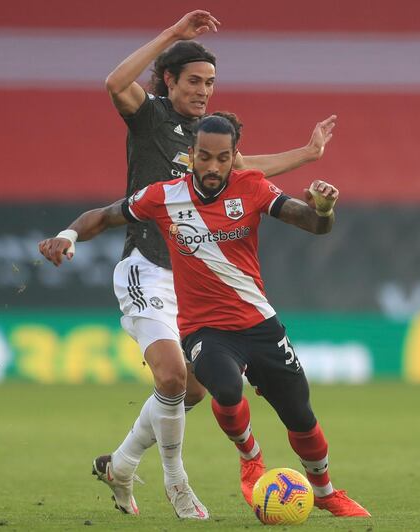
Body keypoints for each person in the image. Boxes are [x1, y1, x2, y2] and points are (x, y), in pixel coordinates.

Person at [39, 115, 370, 518]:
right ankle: (251, 458)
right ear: (191, 155)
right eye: (206, 157)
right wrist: (69, 235)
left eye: (223, 158)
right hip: (205, 330)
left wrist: (325, 208)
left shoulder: (252, 188)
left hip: (259, 322)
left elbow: (313, 224)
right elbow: (107, 215)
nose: (214, 167)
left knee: (300, 414)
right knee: (226, 389)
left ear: (235, 158)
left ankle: (324, 490)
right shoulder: (163, 196)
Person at [78, 9, 337, 519]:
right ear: (170, 79)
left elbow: (247, 168)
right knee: (173, 379)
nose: (204, 90)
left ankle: (123, 463)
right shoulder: (150, 115)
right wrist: (175, 34)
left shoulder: (207, 141)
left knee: (192, 389)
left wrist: (307, 154)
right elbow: (115, 82)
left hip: (193, 282)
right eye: (195, 80)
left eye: (211, 82)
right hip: (146, 262)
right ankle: (178, 485)